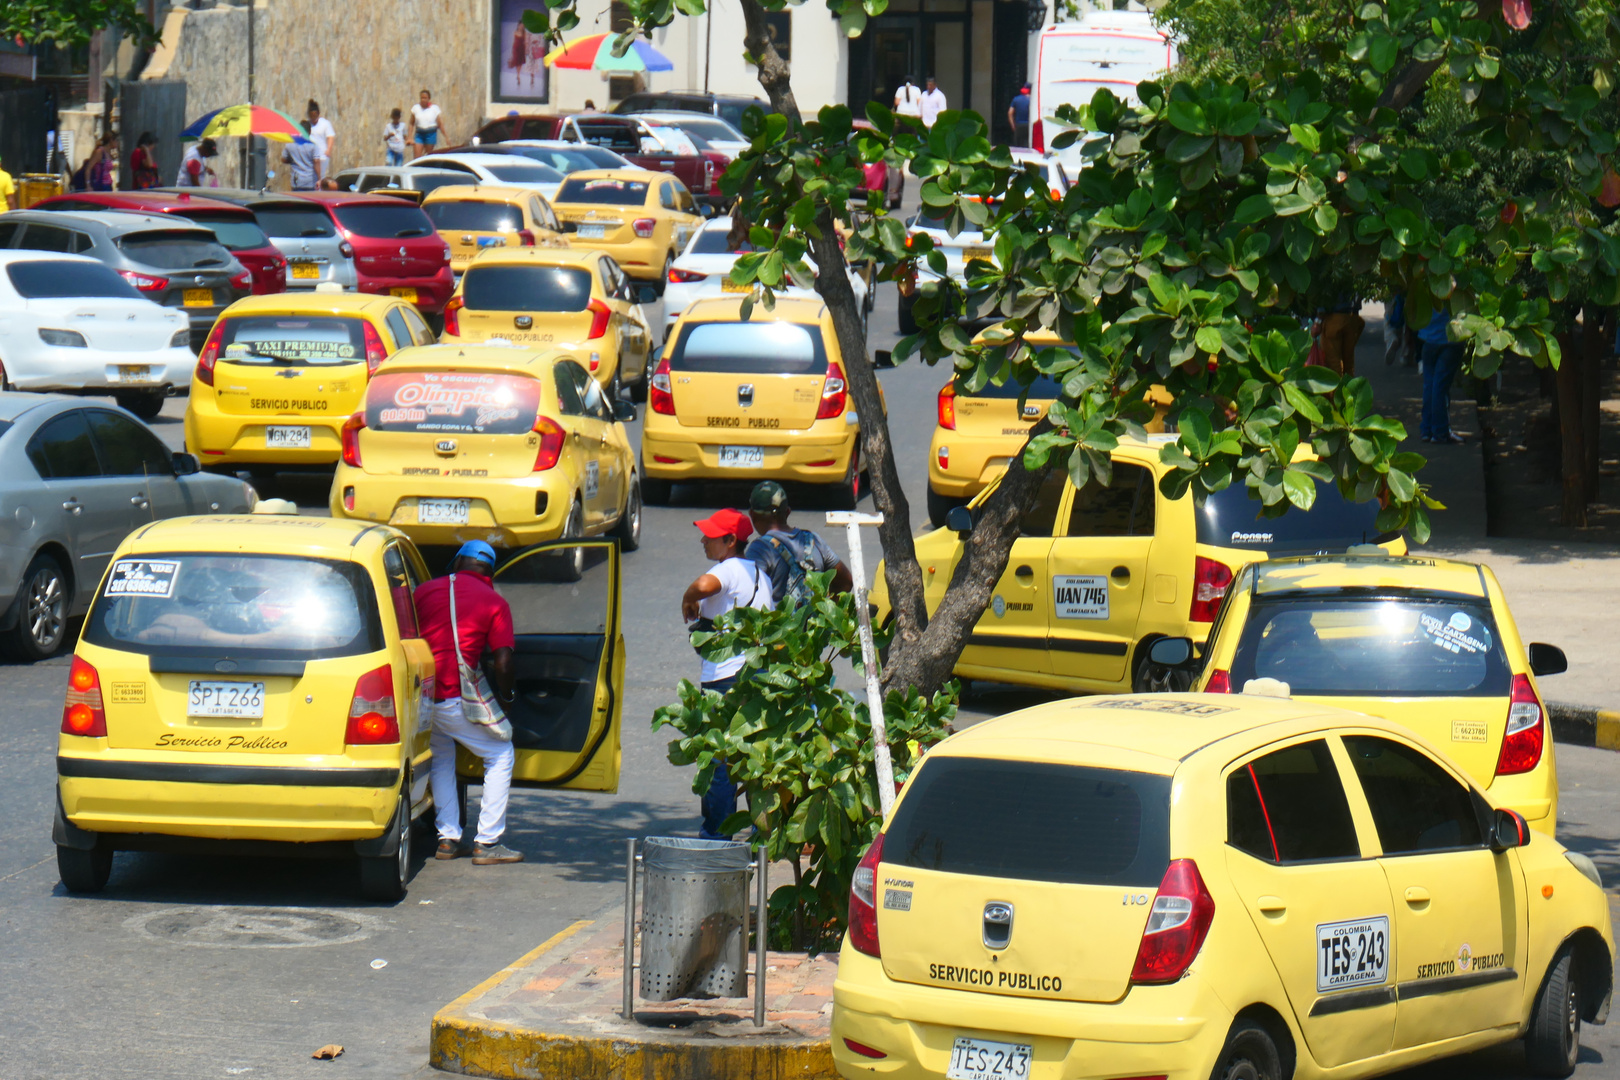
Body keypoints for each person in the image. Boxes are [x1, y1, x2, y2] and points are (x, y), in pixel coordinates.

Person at [414, 541, 524, 865]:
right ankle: (487, 842)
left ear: (457, 562)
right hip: (454, 698)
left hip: (420, 699)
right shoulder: (494, 602)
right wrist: (507, 697)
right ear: (490, 571)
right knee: (501, 754)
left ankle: (448, 839)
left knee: (442, 757)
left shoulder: (423, 591)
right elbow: (503, 663)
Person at [680, 508, 772, 838]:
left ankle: (716, 837)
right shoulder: (761, 576)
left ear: (731, 541)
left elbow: (704, 585)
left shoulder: (730, 569)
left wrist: (687, 598)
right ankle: (760, 833)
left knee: (719, 761)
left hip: (724, 680)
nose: (704, 540)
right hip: (752, 678)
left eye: (712, 536)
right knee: (749, 760)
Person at [744, 481, 853, 607]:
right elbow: (846, 581)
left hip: (779, 625)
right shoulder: (813, 541)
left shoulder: (760, 549)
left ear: (752, 514)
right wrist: (826, 606)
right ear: (788, 512)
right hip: (815, 625)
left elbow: (748, 593)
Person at [1416, 311, 1467, 444]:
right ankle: (1440, 431)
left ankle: (1427, 430)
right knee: (1440, 387)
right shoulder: (1456, 290)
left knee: (1429, 385)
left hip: (1428, 339)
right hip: (1450, 340)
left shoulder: (1427, 289)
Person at [1317, 296, 1363, 378]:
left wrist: (1318, 321)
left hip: (1333, 318)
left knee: (1333, 364)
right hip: (1351, 317)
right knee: (1348, 364)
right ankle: (1348, 388)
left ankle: (1337, 389)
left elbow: (1324, 294)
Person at [280, 123, 320, 191]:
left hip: (296, 181)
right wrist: (319, 179)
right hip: (310, 181)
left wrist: (293, 160)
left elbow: (283, 159)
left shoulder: (289, 144)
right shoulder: (313, 146)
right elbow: (316, 161)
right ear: (310, 132)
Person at [411, 89, 444, 158]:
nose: (423, 100)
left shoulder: (434, 108)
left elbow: (440, 123)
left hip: (430, 133)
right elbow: (411, 123)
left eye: (425, 98)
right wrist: (409, 137)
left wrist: (446, 136)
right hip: (419, 133)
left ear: (429, 98)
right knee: (417, 156)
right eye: (422, 98)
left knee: (428, 155)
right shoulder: (416, 108)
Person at [307, 100, 336, 179]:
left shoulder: (325, 123)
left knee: (321, 177)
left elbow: (330, 136)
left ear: (318, 114)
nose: (313, 119)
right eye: (311, 116)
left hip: (322, 156)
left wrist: (329, 150)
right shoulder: (307, 125)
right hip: (311, 156)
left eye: (315, 116)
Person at [1008, 83, 1031, 147]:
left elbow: (1010, 113)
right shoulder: (1032, 100)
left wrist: (1013, 125)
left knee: (1018, 147)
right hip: (1030, 126)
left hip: (1019, 125)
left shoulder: (1016, 99)